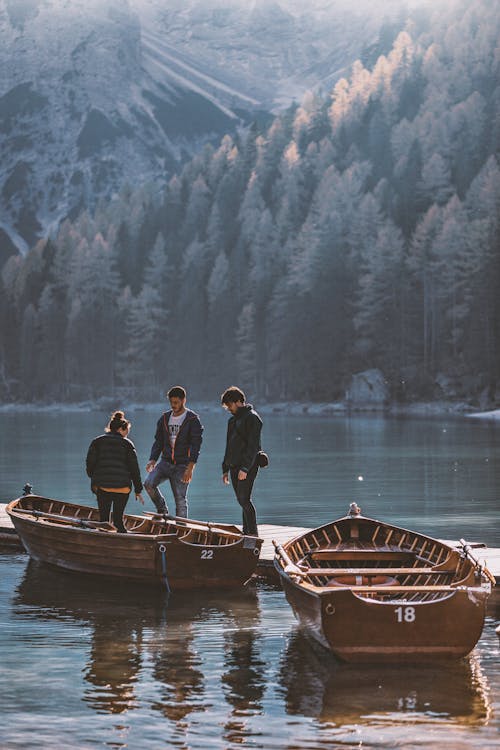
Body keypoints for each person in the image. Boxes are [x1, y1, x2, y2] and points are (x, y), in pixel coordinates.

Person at [144, 386, 203, 517]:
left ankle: (181, 529)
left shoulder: (192, 420)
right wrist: (152, 459)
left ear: (183, 401)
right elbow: (158, 441)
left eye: (176, 402)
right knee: (148, 484)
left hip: (183, 465)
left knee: (180, 500)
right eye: (171, 402)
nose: (173, 405)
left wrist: (190, 467)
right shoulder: (164, 418)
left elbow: (196, 445)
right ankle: (162, 510)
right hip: (165, 463)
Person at [86, 411, 144, 533]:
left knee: (104, 522)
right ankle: (123, 538)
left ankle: (103, 545)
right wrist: (138, 490)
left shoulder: (97, 442)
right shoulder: (127, 444)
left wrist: (96, 478)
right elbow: (134, 469)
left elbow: (90, 464)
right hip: (122, 488)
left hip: (103, 486)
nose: (127, 434)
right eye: (127, 430)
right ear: (120, 429)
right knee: (118, 521)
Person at [221, 386, 262, 536]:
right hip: (233, 465)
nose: (228, 409)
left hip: (248, 466)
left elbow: (253, 446)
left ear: (238, 402)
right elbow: (229, 445)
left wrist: (245, 468)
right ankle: (247, 532)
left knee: (244, 499)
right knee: (241, 500)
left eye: (229, 405)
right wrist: (225, 468)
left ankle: (253, 534)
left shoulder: (253, 418)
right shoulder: (232, 421)